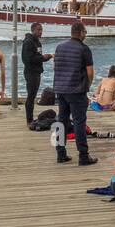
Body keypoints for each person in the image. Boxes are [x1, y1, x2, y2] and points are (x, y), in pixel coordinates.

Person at [52, 22, 96, 166]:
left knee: (60, 121)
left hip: (60, 89)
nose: (86, 34)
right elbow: (90, 72)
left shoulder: (59, 47)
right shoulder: (84, 49)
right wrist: (87, 87)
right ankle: (83, 156)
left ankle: (60, 153)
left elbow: (54, 67)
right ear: (81, 32)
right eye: (85, 32)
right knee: (79, 123)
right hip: (77, 91)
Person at [21, 22, 52, 126]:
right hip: (30, 72)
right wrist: (43, 57)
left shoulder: (37, 42)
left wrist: (45, 58)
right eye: (38, 30)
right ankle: (28, 120)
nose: (40, 32)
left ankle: (30, 118)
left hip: (37, 72)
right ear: (33, 30)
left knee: (33, 95)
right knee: (30, 96)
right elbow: (27, 59)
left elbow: (37, 56)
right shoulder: (28, 42)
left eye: (41, 30)